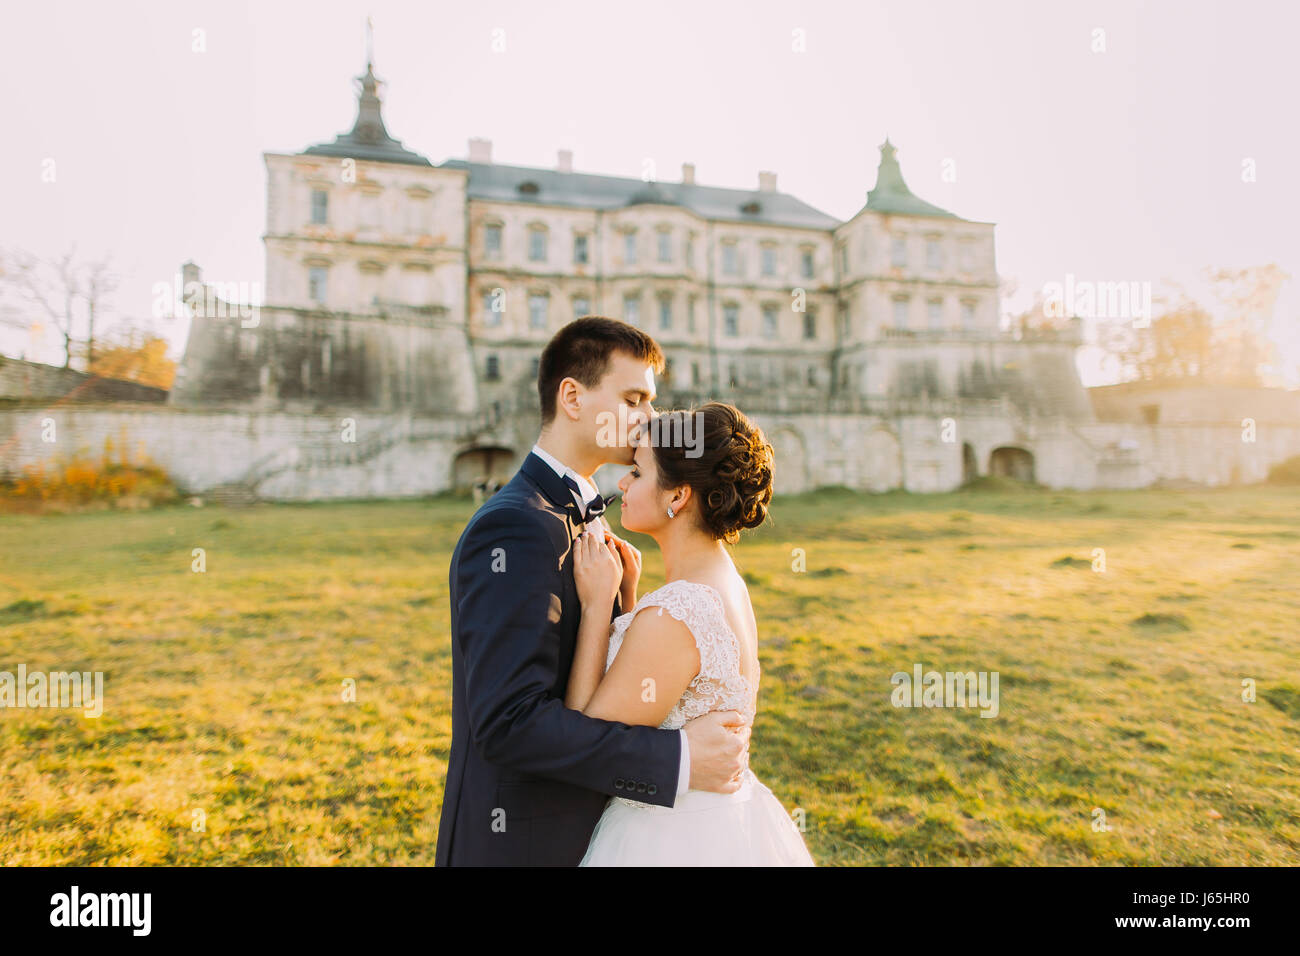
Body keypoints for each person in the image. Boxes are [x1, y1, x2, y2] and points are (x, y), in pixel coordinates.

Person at [435, 317, 751, 867]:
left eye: (651, 402)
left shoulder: (590, 517)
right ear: (573, 398)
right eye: (633, 399)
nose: (649, 420)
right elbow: (507, 725)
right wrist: (677, 759)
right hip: (522, 845)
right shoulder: (515, 527)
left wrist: (623, 603)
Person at [568, 402, 815, 865]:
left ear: (677, 496)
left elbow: (584, 743)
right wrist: (628, 602)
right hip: (728, 823)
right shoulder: (724, 584)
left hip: (667, 836)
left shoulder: (678, 612)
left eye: (638, 473)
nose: (622, 483)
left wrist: (596, 606)